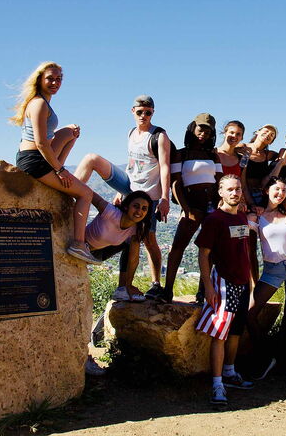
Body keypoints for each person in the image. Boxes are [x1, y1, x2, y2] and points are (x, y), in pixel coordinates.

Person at [73, 95, 172, 301]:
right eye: (140, 112)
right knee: (93, 159)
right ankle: (70, 192)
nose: (144, 116)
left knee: (148, 238)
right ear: (133, 111)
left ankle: (155, 283)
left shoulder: (159, 136)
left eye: (148, 112)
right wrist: (120, 190)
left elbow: (165, 166)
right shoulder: (131, 133)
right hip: (130, 187)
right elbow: (131, 163)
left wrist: (165, 197)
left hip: (149, 194)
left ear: (153, 113)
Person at [11, 61, 96, 265]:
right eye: (50, 78)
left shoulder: (42, 102)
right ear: (40, 79)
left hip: (36, 157)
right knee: (86, 194)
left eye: (59, 79)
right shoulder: (39, 104)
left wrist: (67, 133)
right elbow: (41, 143)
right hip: (35, 160)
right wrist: (60, 170)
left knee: (72, 131)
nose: (55, 83)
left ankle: (56, 172)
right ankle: (78, 244)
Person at [195, 175, 257, 405]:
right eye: (229, 189)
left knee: (236, 331)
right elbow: (203, 254)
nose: (235, 193)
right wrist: (208, 287)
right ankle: (217, 384)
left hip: (242, 283)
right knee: (220, 333)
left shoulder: (241, 216)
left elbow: (246, 252)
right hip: (224, 282)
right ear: (220, 192)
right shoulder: (214, 220)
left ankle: (229, 372)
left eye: (238, 189)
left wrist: (251, 283)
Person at [247, 177, 286, 379]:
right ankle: (267, 355)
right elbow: (250, 250)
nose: (281, 193)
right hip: (272, 269)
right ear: (266, 191)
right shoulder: (257, 216)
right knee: (249, 313)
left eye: (284, 190)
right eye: (277, 189)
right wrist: (252, 281)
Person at [83, 191, 152, 375]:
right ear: (127, 206)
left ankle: (122, 288)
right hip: (82, 248)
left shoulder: (136, 229)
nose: (139, 211)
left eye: (144, 208)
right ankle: (84, 354)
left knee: (131, 244)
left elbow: (134, 258)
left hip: (97, 254)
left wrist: (128, 285)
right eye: (136, 206)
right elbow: (89, 194)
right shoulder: (110, 212)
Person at [163, 113, 223, 302]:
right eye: (200, 129)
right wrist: (186, 209)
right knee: (178, 246)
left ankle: (202, 292)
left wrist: (220, 206)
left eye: (208, 131)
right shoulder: (181, 154)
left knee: (208, 249)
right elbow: (175, 184)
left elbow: (220, 181)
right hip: (192, 206)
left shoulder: (213, 155)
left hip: (212, 206)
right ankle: (167, 290)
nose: (203, 134)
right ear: (192, 128)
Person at [240, 124, 279, 210]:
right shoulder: (243, 147)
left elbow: (283, 155)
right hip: (242, 192)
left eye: (272, 135)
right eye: (266, 131)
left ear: (271, 141)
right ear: (257, 132)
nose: (268, 134)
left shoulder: (268, 154)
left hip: (260, 194)